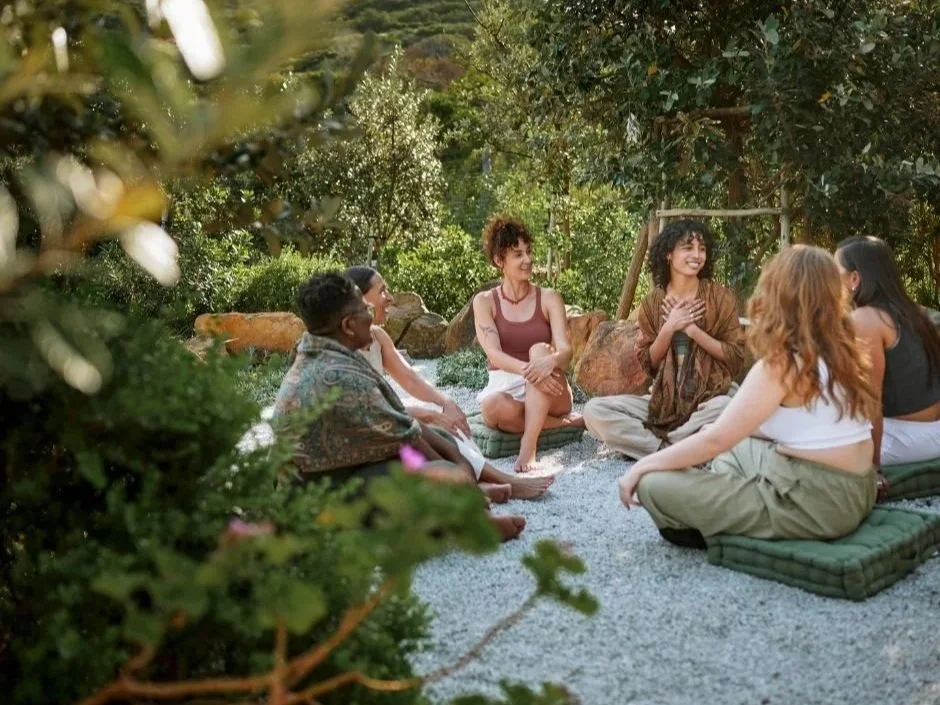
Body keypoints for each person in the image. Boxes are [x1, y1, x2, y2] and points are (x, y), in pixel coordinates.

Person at [618, 246, 878, 547]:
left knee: (653, 486)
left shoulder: (782, 364)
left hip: (819, 503)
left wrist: (640, 467)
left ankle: (720, 518)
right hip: (861, 487)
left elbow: (715, 439)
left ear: (776, 293)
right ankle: (731, 497)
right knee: (737, 444)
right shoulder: (844, 350)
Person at [271, 272, 526, 540]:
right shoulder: (341, 378)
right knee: (443, 475)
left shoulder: (319, 351)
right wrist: (459, 476)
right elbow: (407, 440)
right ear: (348, 326)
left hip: (341, 473)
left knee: (440, 437)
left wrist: (454, 458)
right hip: (320, 500)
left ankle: (467, 494)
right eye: (365, 310)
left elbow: (405, 426)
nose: (371, 316)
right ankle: (471, 516)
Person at [343, 265, 553, 500]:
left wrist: (446, 402)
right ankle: (500, 483)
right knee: (432, 430)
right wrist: (428, 414)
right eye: (382, 291)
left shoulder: (377, 337)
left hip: (388, 419)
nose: (390, 297)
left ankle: (478, 484)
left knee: (454, 427)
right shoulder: (339, 350)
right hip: (372, 429)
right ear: (361, 299)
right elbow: (369, 410)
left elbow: (411, 379)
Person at [583, 220, 745, 459]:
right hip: (663, 400)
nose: (697, 254)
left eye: (702, 248)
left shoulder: (720, 298)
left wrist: (692, 330)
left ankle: (656, 447)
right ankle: (670, 450)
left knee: (731, 407)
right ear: (669, 253)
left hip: (710, 397)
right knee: (594, 411)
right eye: (688, 247)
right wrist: (668, 328)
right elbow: (649, 363)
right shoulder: (653, 303)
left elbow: (735, 357)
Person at [472, 215, 583, 472]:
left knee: (539, 349)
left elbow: (565, 351)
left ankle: (528, 446)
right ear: (499, 260)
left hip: (551, 387)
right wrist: (531, 372)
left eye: (529, 252)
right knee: (492, 409)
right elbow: (494, 355)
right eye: (518, 254)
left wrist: (546, 363)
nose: (528, 260)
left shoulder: (549, 298)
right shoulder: (485, 301)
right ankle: (566, 424)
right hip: (508, 384)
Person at [835, 236, 940, 467]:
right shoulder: (918, 313)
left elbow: (870, 403)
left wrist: (872, 468)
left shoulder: (865, 319)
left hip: (901, 441)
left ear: (855, 278)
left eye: (835, 272)